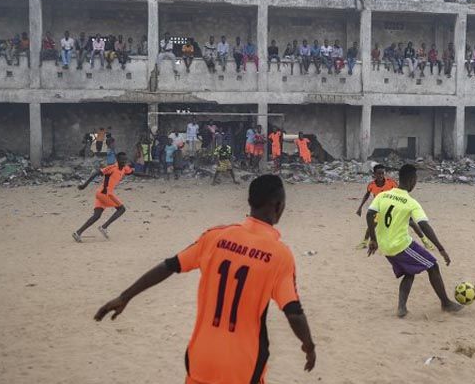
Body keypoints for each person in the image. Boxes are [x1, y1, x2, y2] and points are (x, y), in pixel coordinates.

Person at [94, 175, 316, 383]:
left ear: (250, 201)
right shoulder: (279, 255)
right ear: (278, 205)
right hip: (243, 365)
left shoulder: (216, 236)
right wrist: (308, 345)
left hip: (200, 357)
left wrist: (125, 296)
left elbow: (169, 265)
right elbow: (293, 311)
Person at [365, 163, 463, 317]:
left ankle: (401, 308)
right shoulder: (411, 202)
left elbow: (369, 214)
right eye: (416, 180)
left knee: (409, 272)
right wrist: (441, 248)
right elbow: (424, 225)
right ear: (412, 180)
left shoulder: (383, 195)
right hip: (400, 245)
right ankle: (446, 303)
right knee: (432, 265)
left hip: (384, 246)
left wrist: (373, 239)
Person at [72, 152, 135, 242]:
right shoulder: (112, 168)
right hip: (105, 194)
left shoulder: (125, 168)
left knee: (96, 216)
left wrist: (148, 175)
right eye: (122, 159)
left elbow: (132, 172)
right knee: (122, 209)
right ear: (117, 160)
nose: (124, 161)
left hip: (102, 194)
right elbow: (96, 173)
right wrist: (84, 185)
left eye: (125, 159)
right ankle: (104, 227)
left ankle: (78, 233)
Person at [355, 164, 399, 248]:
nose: (381, 175)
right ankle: (364, 242)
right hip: (379, 210)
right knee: (372, 224)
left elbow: (399, 193)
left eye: (382, 173)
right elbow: (366, 195)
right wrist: (360, 207)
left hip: (391, 209)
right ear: (374, 174)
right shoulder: (371, 185)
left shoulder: (391, 183)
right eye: (379, 173)